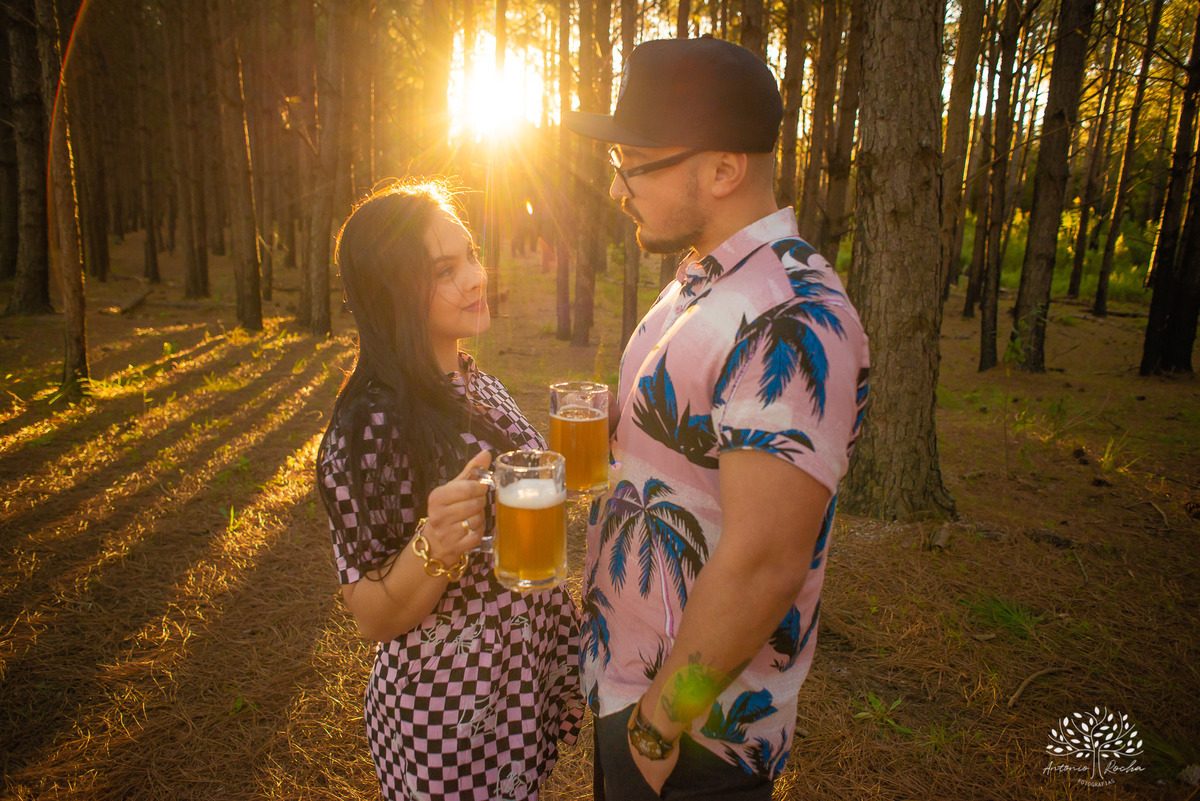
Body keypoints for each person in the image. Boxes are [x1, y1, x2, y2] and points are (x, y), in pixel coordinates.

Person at [565, 37, 871, 799]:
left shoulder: (792, 315)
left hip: (694, 734)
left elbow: (766, 562)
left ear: (724, 169)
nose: (618, 188)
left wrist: (657, 725)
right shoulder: (702, 280)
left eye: (636, 164)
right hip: (630, 681)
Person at [315, 181, 583, 800]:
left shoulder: (472, 378)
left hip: (518, 689)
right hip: (452, 718)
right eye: (445, 270)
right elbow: (372, 616)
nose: (475, 277)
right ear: (391, 293)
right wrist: (433, 546)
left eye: (471, 256)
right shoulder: (370, 426)